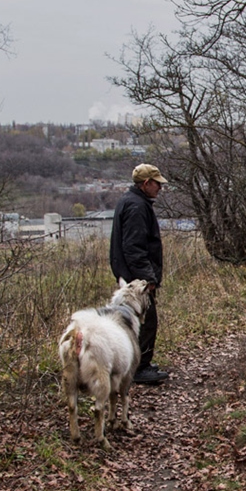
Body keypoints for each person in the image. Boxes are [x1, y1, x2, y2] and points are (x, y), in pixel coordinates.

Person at [110, 163, 169, 384]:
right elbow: (134, 248)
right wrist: (148, 279)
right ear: (146, 184)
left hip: (129, 275)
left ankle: (137, 364)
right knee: (146, 321)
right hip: (137, 279)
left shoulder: (131, 201)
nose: (159, 188)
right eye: (157, 184)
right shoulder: (136, 207)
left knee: (133, 321)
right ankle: (140, 368)